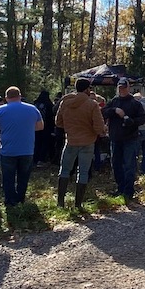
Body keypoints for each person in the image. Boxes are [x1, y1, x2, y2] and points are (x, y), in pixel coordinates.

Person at [55, 77, 108, 209]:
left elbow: (58, 122)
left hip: (71, 140)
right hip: (87, 142)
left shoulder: (65, 102)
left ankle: (60, 202)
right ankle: (78, 204)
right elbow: (98, 127)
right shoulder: (92, 104)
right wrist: (102, 131)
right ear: (86, 89)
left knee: (65, 170)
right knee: (83, 172)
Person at [0, 86, 43, 208]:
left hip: (8, 150)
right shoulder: (32, 109)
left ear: (6, 98)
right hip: (27, 149)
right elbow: (40, 126)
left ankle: (10, 201)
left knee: (8, 178)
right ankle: (20, 199)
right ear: (20, 96)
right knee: (23, 177)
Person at [103, 78, 145, 203]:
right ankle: (120, 188)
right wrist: (114, 110)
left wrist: (131, 121)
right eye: (120, 88)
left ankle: (128, 191)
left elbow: (142, 118)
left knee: (129, 165)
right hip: (115, 138)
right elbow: (103, 112)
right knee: (116, 164)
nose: (121, 90)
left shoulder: (135, 103)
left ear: (128, 88)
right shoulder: (114, 101)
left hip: (130, 138)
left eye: (124, 87)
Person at [33, 89, 55, 166]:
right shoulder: (48, 104)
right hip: (46, 127)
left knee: (36, 143)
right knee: (44, 143)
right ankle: (42, 159)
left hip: (35, 127)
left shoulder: (35, 104)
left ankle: (35, 159)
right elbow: (51, 117)